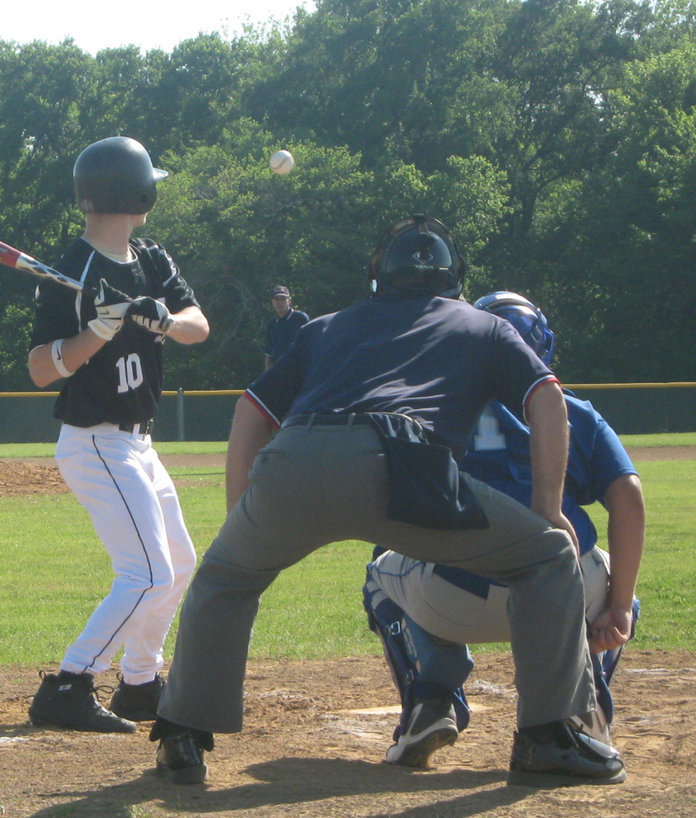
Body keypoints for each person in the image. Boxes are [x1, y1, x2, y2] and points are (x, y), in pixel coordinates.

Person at [151, 214, 626, 788]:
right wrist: (549, 508)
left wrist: (240, 518)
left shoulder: (325, 326)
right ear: (455, 277)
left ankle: (181, 737)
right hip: (405, 466)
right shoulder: (483, 325)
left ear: (379, 275)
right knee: (545, 557)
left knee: (224, 579)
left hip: (296, 457)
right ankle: (548, 737)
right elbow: (546, 397)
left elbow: (252, 411)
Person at [363, 291, 644, 767]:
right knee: (620, 587)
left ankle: (429, 699)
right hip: (563, 597)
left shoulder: (431, 407)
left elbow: (395, 505)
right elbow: (629, 501)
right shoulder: (572, 410)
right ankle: (583, 708)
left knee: (378, 573)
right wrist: (617, 607)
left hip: (455, 592)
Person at [25, 136, 210, 732]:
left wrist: (166, 318)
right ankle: (70, 683)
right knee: (148, 572)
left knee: (179, 564)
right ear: (135, 192)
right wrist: (96, 332)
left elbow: (198, 326)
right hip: (96, 439)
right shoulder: (68, 272)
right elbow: (39, 370)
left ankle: (139, 682)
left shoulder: (152, 259)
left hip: (140, 443)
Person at [263, 285, 309, 369]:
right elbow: (268, 354)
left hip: (299, 368)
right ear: (272, 301)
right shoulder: (272, 324)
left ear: (289, 300)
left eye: (283, 299)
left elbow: (311, 344)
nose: (279, 302)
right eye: (276, 299)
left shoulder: (300, 318)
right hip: (279, 370)